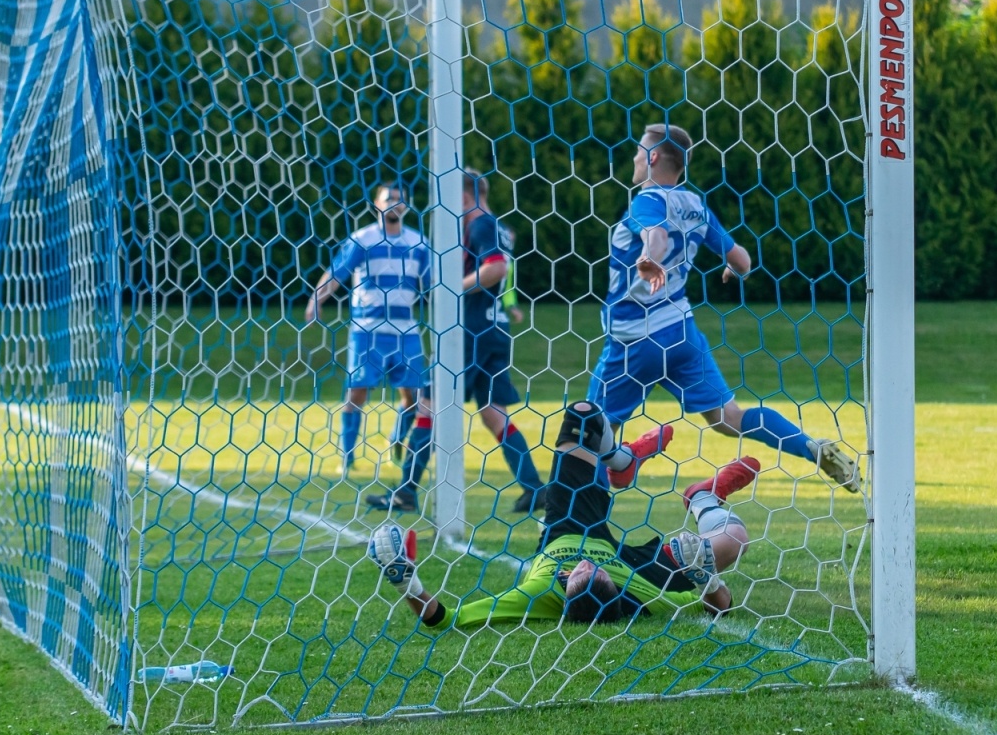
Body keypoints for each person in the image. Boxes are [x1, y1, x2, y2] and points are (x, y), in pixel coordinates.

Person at [587, 123, 859, 493]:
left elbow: (658, 235)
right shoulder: (696, 205)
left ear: (652, 157)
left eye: (638, 150)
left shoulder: (647, 200)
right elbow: (743, 260)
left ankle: (570, 526)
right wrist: (731, 268)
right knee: (729, 418)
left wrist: (650, 260)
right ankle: (811, 446)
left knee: (589, 432)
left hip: (635, 340)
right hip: (681, 333)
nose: (634, 157)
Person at [368, 401, 759, 628]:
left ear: (566, 583)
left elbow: (445, 620)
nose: (586, 563)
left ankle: (622, 460)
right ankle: (705, 497)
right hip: (638, 569)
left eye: (578, 572)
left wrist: (407, 584)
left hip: (567, 527)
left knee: (583, 415)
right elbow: (720, 609)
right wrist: (705, 578)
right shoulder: (637, 598)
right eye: (594, 570)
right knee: (735, 541)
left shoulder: (539, 595)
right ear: (609, 582)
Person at [304, 183, 433, 510]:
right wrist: (317, 299)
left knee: (415, 397)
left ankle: (396, 440)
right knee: (357, 392)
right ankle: (346, 458)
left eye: (400, 199)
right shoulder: (362, 239)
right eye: (389, 198)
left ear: (407, 205)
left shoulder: (419, 242)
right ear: (376, 204)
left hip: (406, 331)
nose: (395, 203)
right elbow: (337, 272)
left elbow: (435, 285)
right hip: (367, 330)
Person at [458, 168, 546, 513]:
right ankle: (534, 487)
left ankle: (405, 491)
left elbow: (496, 269)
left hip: (473, 328)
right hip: (495, 328)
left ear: (464, 196)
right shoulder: (501, 227)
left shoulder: (479, 224)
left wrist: (453, 288)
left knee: (429, 403)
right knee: (494, 414)